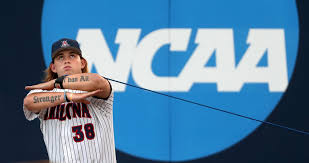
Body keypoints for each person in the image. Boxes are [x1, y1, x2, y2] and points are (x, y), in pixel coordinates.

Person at [23, 38, 117, 163]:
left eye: (72, 55)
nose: (66, 60)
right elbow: (29, 102)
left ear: (82, 63)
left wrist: (55, 83)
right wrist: (67, 96)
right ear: (53, 67)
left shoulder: (94, 90)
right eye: (60, 57)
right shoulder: (44, 92)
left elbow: (97, 81)